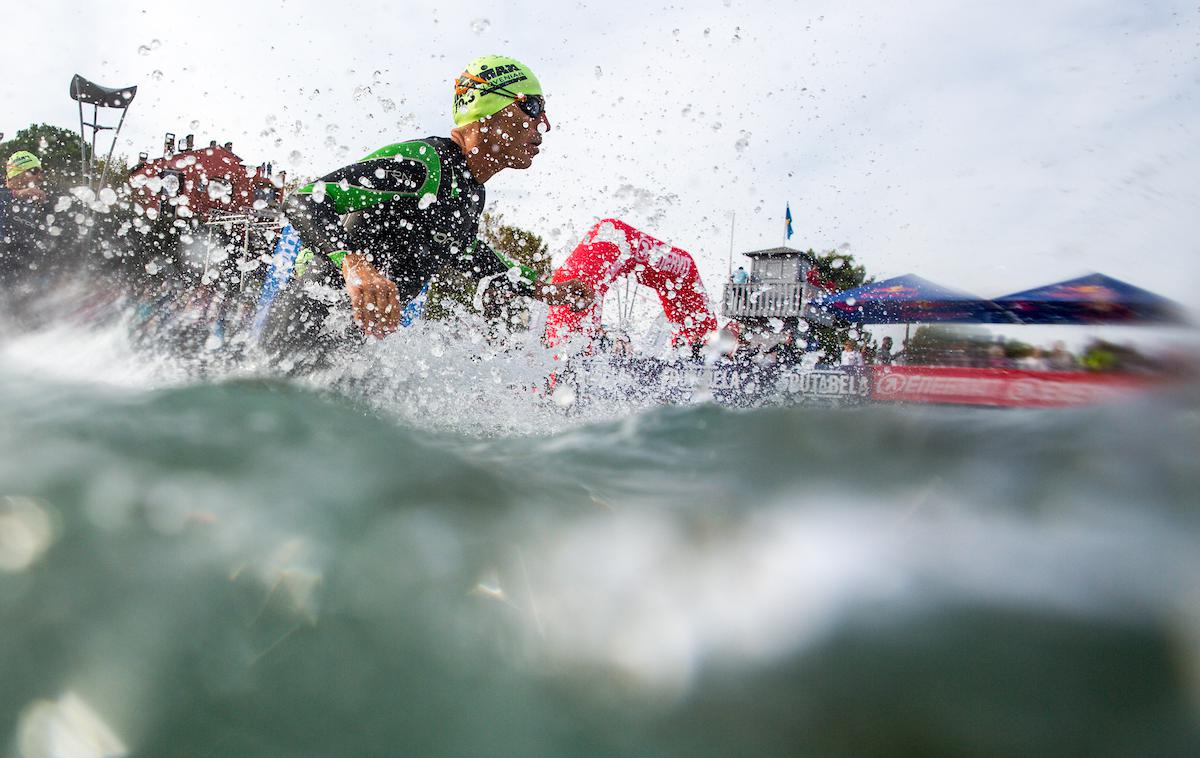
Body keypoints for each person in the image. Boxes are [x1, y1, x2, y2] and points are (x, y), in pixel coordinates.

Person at [261, 55, 593, 368]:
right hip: (303, 321)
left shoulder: (471, 191)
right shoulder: (425, 163)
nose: (544, 124)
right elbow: (304, 199)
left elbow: (467, 251)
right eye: (532, 107)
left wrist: (542, 289)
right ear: (488, 106)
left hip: (351, 345)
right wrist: (355, 265)